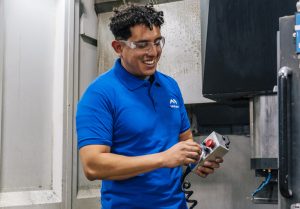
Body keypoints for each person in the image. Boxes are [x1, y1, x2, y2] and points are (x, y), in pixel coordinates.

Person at [76, 3, 223, 209]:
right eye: (142, 44)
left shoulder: (170, 86)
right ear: (119, 47)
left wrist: (197, 160)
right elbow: (92, 165)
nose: (153, 52)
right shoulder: (100, 94)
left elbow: (185, 141)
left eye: (157, 42)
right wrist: (163, 159)